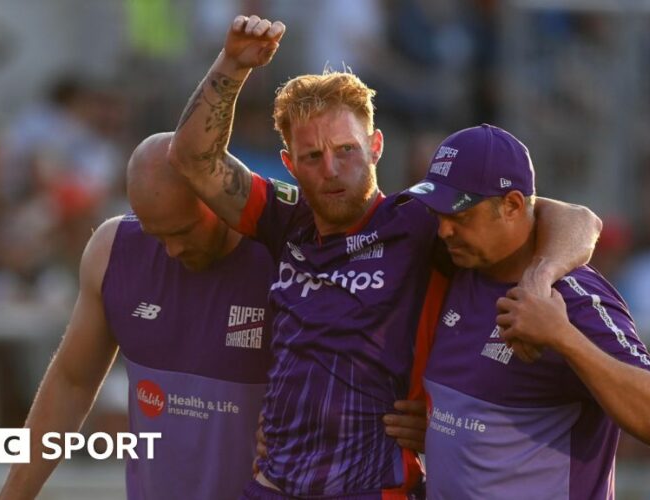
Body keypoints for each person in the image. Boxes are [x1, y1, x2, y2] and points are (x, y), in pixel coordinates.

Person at [169, 15, 603, 499]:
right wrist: (233, 63)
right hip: (273, 483)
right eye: (311, 157)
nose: (331, 169)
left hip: (374, 486)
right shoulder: (284, 218)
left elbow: (578, 218)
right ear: (290, 163)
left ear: (376, 147)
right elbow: (191, 159)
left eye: (346, 150)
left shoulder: (419, 222)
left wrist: (540, 278)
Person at [403, 124, 650, 499]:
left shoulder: (572, 299)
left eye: (460, 215)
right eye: (438, 213)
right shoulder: (458, 267)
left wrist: (562, 336)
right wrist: (442, 434)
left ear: (513, 206)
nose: (443, 231)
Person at [0, 133, 276, 499]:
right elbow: (71, 383)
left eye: (182, 231)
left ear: (217, 197)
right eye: (156, 235)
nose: (172, 249)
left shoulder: (285, 257)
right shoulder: (112, 252)